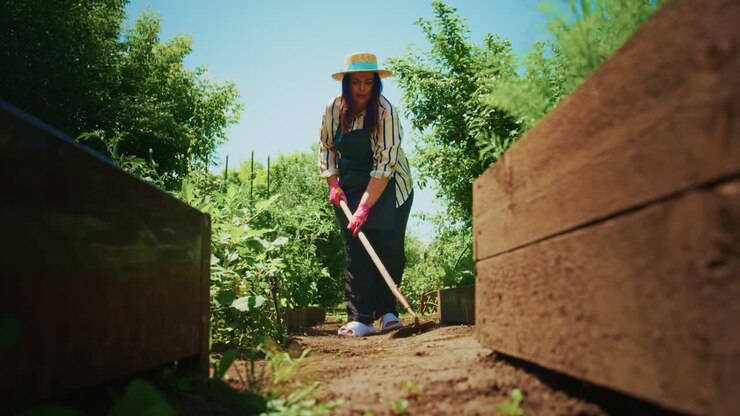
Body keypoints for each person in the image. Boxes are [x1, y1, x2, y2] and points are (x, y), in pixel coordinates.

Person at [318, 52, 414, 337]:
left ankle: (388, 312)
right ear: (346, 83)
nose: (362, 88)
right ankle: (360, 318)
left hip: (390, 185)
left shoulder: (385, 111)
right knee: (355, 248)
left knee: (388, 246)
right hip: (349, 185)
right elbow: (326, 148)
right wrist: (333, 185)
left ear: (376, 83)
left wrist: (365, 208)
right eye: (356, 82)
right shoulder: (333, 109)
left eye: (368, 82)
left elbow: (385, 165)